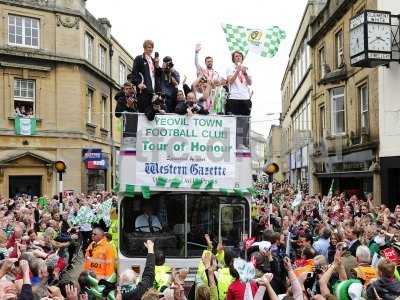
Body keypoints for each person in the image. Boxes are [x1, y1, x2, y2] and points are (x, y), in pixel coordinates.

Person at [226, 50, 252, 148]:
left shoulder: (247, 68)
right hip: (234, 98)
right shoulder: (230, 68)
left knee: (244, 122)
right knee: (234, 121)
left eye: (239, 56)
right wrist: (237, 71)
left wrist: (245, 73)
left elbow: (250, 83)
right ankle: (233, 143)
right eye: (236, 56)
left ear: (242, 58)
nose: (238, 57)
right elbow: (230, 81)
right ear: (233, 58)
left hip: (245, 98)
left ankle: (242, 143)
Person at [131, 40, 161, 113]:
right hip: (144, 92)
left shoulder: (153, 61)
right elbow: (134, 73)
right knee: (145, 114)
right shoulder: (139, 58)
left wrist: (157, 66)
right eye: (149, 47)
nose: (150, 49)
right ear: (144, 48)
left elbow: (159, 75)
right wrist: (138, 83)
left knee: (152, 115)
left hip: (153, 92)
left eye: (152, 48)